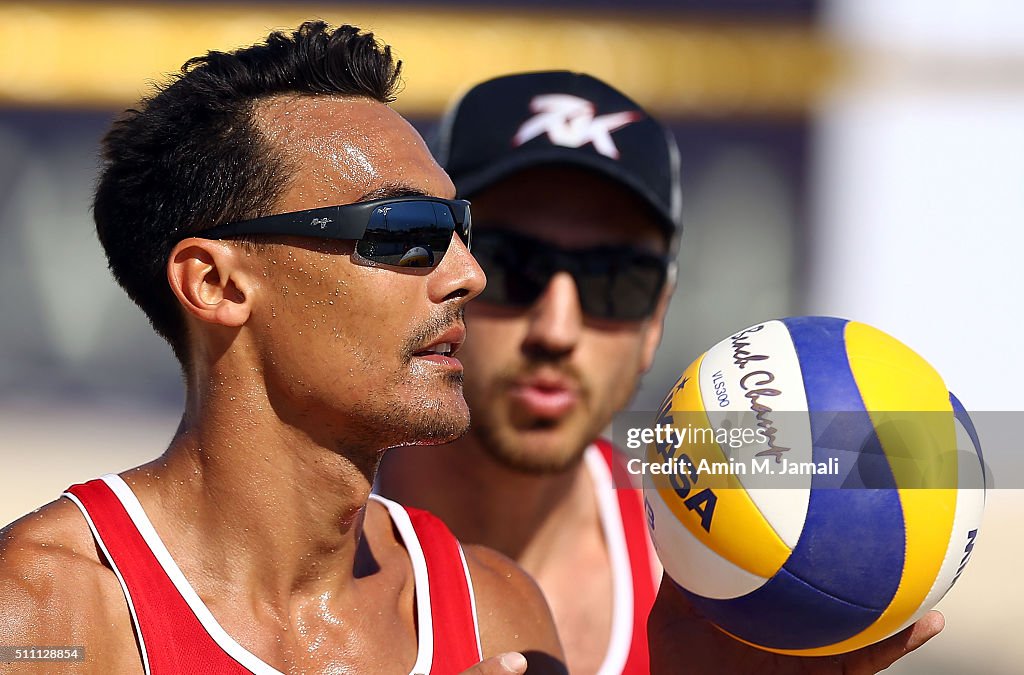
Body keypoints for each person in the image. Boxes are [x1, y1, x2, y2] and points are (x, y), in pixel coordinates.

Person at [0, 23, 565, 675]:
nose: (468, 274)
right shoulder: (42, 617)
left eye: (460, 228)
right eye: (405, 230)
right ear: (215, 283)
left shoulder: (497, 613)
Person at [376, 71, 944, 675]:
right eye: (514, 265)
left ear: (655, 320)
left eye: (614, 281)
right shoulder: (311, 561)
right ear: (436, 274)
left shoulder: (721, 578)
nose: (557, 329)